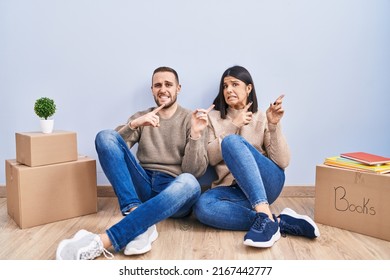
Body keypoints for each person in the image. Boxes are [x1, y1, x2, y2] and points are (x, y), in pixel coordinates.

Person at [56, 66, 213, 260]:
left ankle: (106, 239)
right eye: (157, 85)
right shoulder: (143, 116)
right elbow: (110, 146)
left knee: (190, 182)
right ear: (152, 90)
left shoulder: (193, 119)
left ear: (178, 88)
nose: (162, 89)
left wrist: (196, 134)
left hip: (173, 190)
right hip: (142, 182)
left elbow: (194, 171)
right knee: (104, 135)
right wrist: (134, 124)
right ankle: (138, 217)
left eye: (168, 84)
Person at [193, 65, 320, 248]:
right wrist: (232, 126)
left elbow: (283, 161)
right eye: (225, 86)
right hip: (234, 191)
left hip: (267, 183)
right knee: (202, 207)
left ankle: (263, 214)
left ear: (249, 88)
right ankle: (274, 221)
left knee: (231, 142)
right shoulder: (212, 118)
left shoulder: (262, 116)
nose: (228, 90)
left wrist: (274, 125)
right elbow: (211, 159)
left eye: (235, 84)